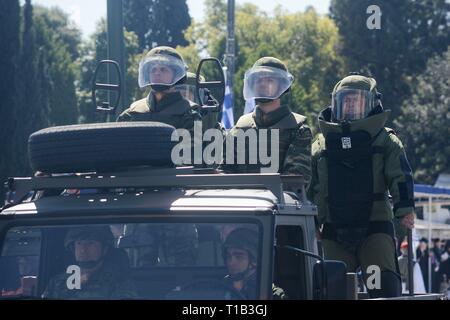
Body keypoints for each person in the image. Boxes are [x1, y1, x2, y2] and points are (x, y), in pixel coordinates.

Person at [308, 74, 416, 298]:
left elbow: (401, 177)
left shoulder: (386, 141)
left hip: (374, 228)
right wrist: (313, 223)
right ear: (335, 103)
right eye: (344, 100)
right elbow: (313, 188)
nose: (350, 105)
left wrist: (405, 209)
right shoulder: (320, 145)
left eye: (355, 100)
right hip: (333, 231)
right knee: (332, 288)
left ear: (370, 103)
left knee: (381, 287)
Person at [224, 57, 312, 184]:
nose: (263, 84)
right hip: (241, 201)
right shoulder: (239, 128)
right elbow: (225, 173)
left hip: (278, 202)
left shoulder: (298, 129)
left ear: (282, 86)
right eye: (258, 80)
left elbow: (296, 181)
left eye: (270, 80)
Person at [117, 46, 201, 131]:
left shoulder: (189, 115)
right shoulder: (131, 114)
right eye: (153, 70)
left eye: (163, 69)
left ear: (176, 75)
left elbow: (193, 143)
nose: (157, 73)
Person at [42, 226, 138, 299]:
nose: (83, 250)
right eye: (79, 244)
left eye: (90, 243)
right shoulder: (58, 282)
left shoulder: (119, 281)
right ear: (73, 248)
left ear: (104, 249)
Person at [222, 228, 286, 300]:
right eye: (228, 256)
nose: (231, 262)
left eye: (239, 256)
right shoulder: (220, 285)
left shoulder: (272, 294)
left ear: (254, 260)